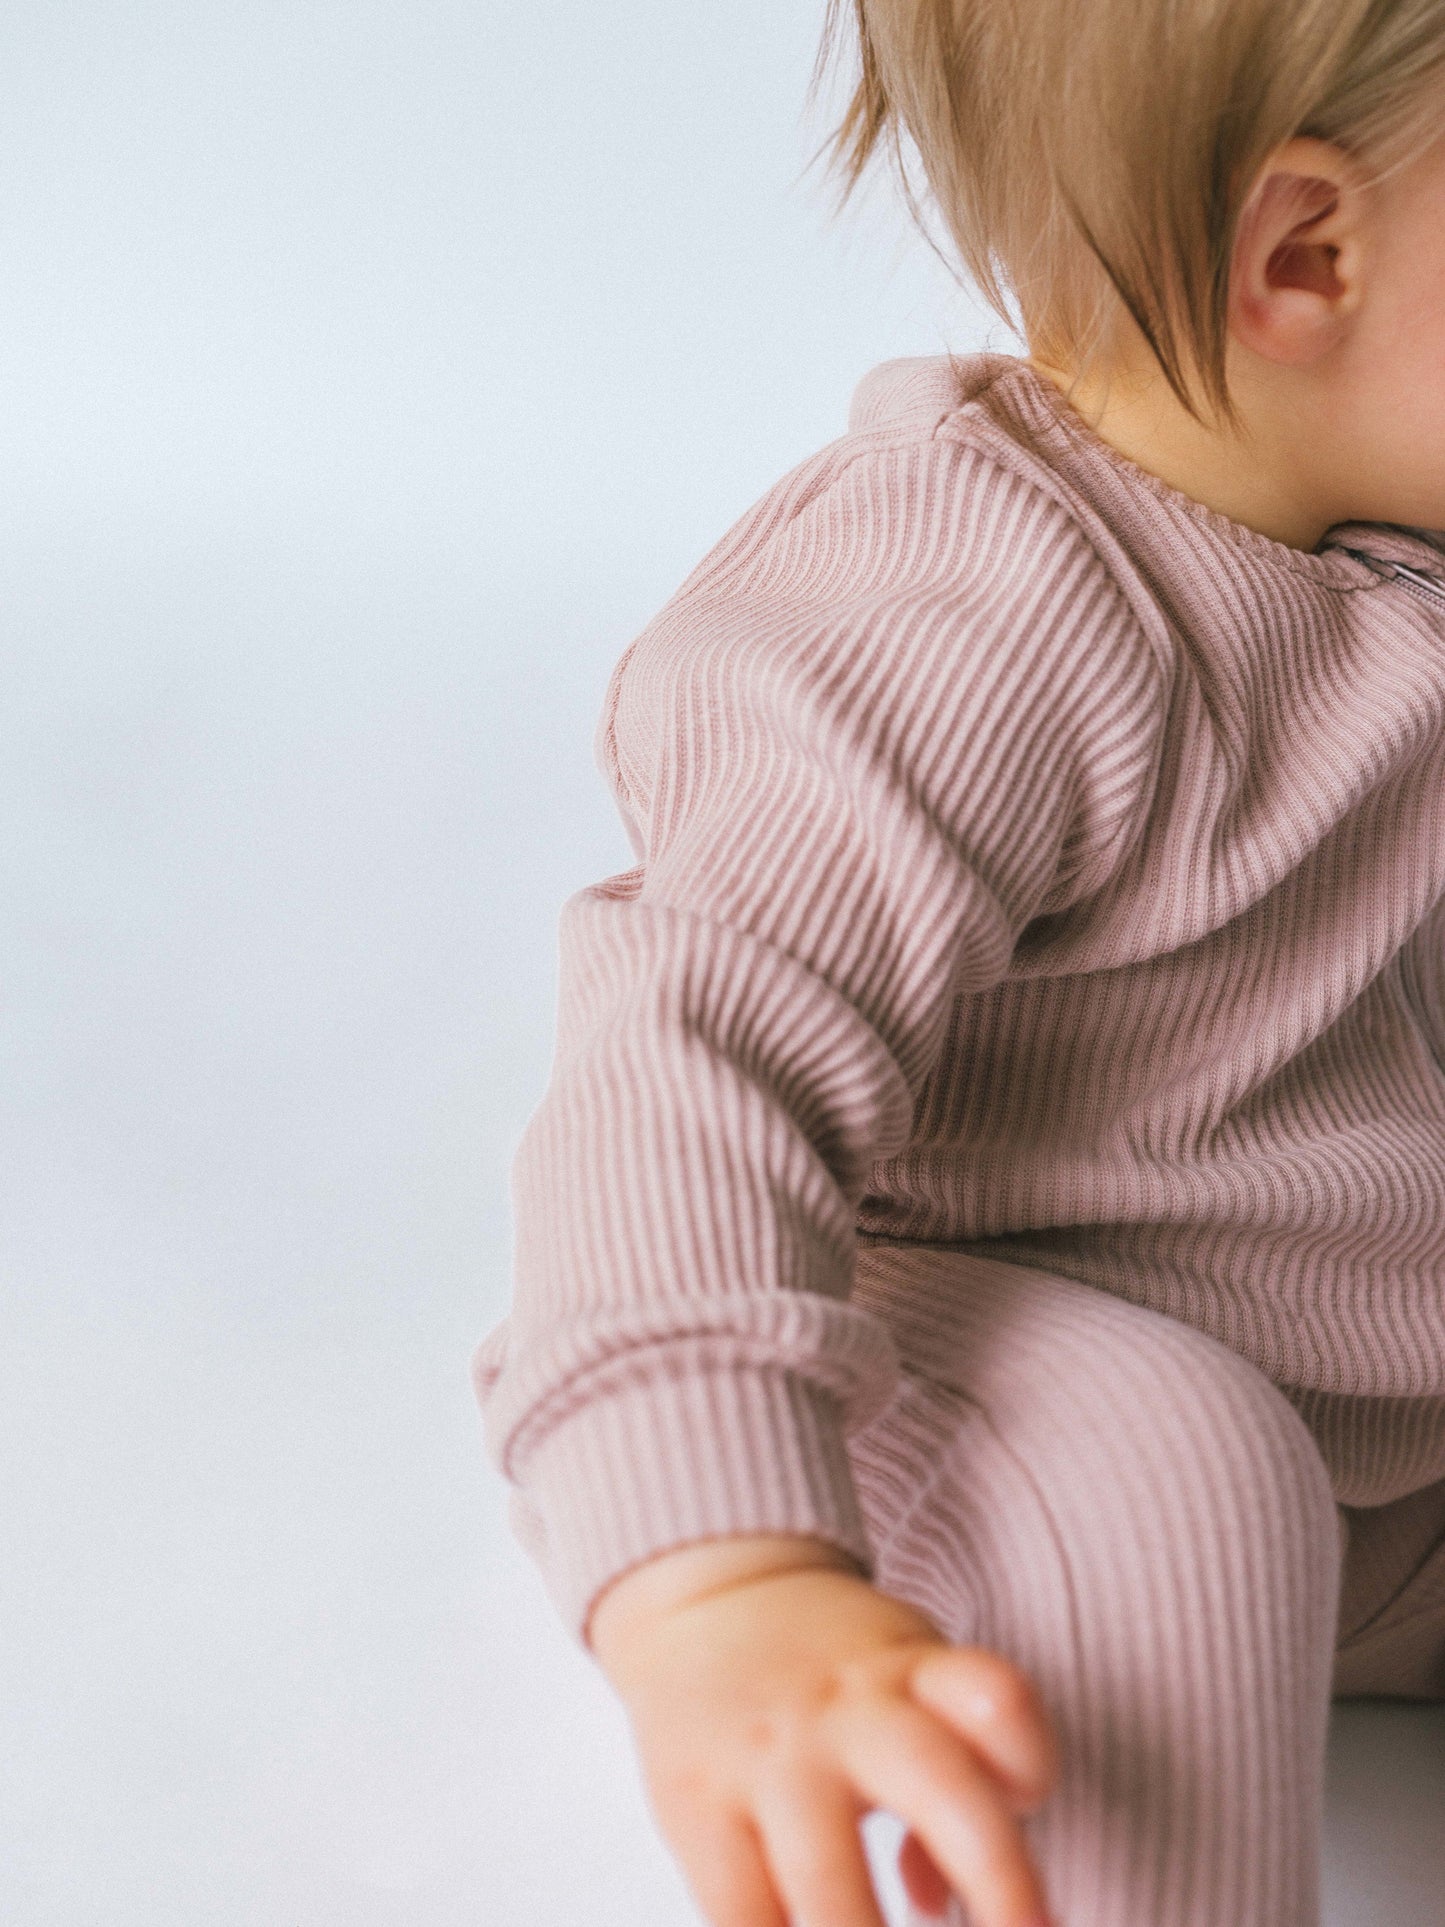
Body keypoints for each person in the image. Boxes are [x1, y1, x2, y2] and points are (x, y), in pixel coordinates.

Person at [473, 3, 1445, 1922]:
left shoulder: (1376, 544)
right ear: (1300, 262)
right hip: (980, 1372)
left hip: (1378, 1400)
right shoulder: (963, 613)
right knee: (1170, 1458)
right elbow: (686, 1066)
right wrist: (726, 1581)